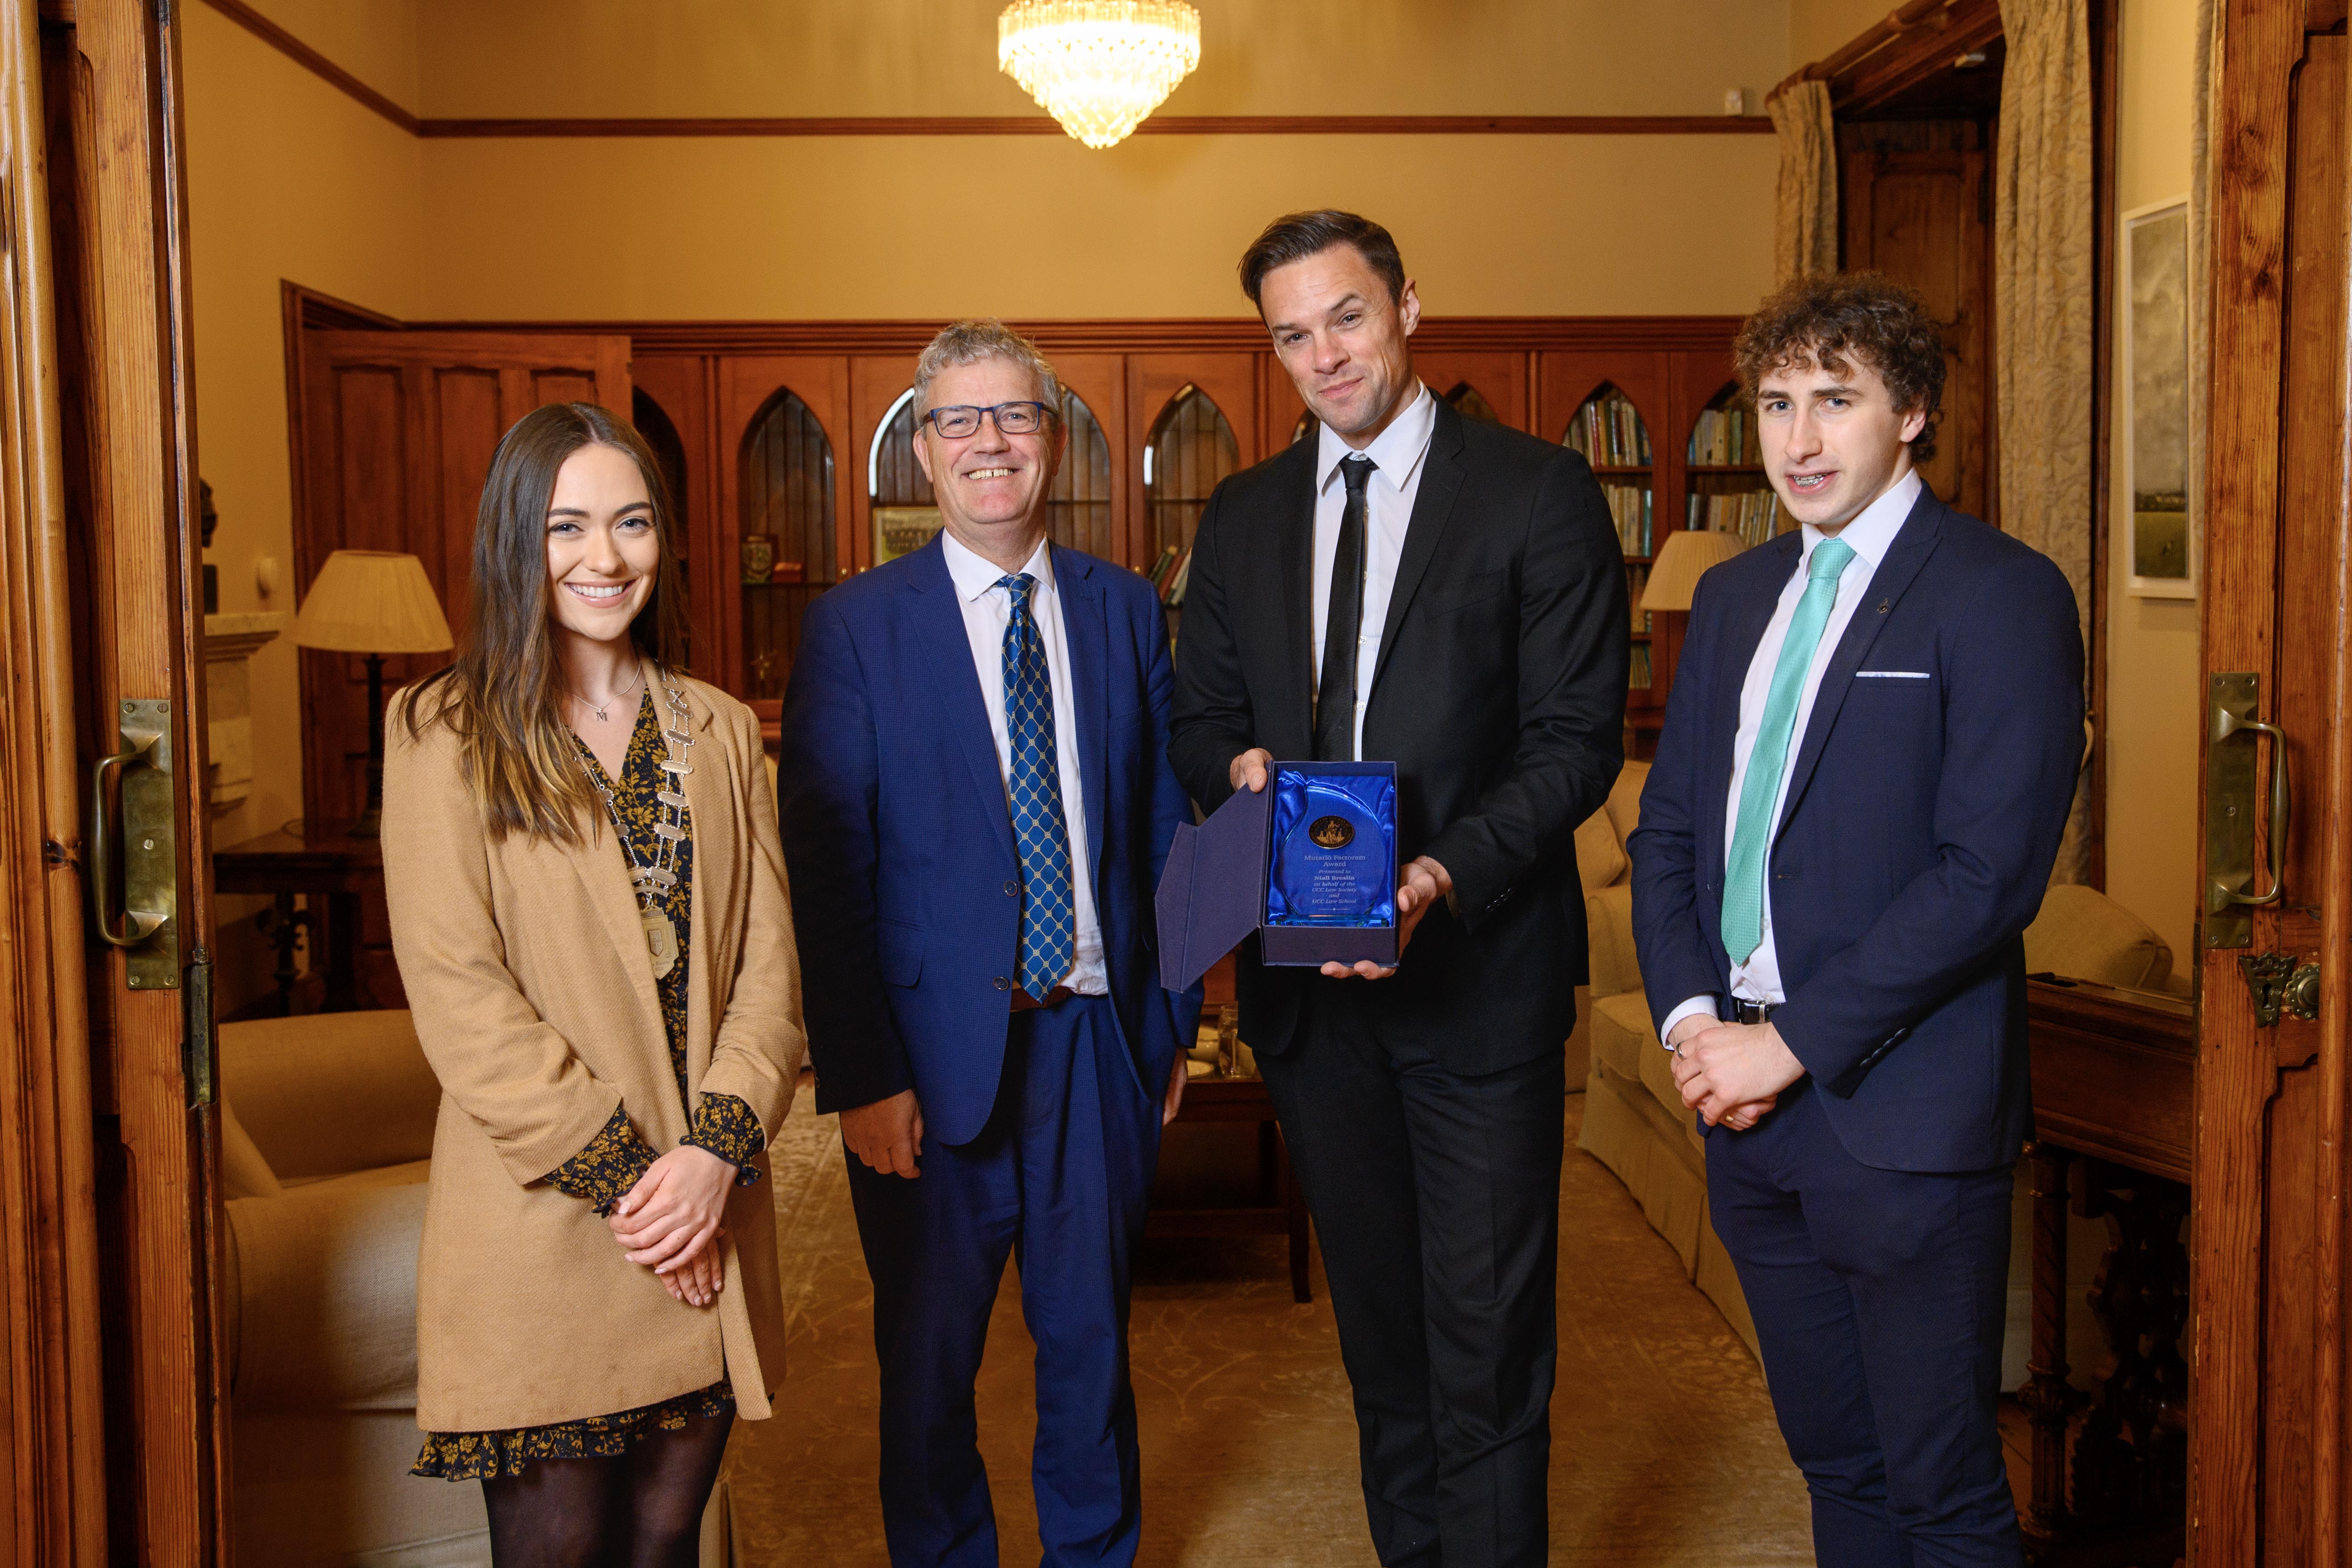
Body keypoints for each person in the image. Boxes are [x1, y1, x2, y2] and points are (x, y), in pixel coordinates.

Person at [1167, 210, 1629, 1568]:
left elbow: (1574, 741)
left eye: (1347, 317)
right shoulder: (1244, 512)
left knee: (1487, 1346)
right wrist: (1235, 767)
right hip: (1313, 1006)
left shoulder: (1537, 492)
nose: (1324, 354)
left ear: (1410, 307)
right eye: (1292, 333)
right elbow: (1195, 720)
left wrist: (1438, 871)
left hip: (1476, 986)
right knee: (1382, 1344)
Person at [1629, 273, 2084, 1568]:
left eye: (1838, 400)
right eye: (1777, 403)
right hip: (1749, 1119)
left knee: (1940, 1491)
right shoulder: (1730, 597)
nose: (1800, 439)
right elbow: (1673, 834)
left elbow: (1987, 874)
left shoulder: (2001, 593)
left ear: (1914, 414)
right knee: (1837, 1465)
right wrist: (1693, 1021)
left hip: (1903, 1119)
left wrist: (1793, 1042)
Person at [777, 321, 1199, 1567]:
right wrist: (861, 1075)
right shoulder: (855, 628)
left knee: (1090, 1350)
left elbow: (1168, 828)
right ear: (920, 449)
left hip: (1093, 1048)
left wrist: (1167, 1021)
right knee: (925, 1366)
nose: (989, 443)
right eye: (959, 421)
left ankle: (1093, 1553)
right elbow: (829, 870)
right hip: (925, 1055)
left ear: (1054, 440)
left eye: (1013, 415)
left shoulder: (1125, 609)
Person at [383, 402, 805, 1567]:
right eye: (568, 526)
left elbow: (772, 960)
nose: (605, 558)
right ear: (517, 539)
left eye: (630, 523)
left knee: (666, 1547)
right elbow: (458, 992)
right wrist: (642, 1194)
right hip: (551, 1228)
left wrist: (715, 1155)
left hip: (709, 1211)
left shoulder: (717, 730)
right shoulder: (438, 733)